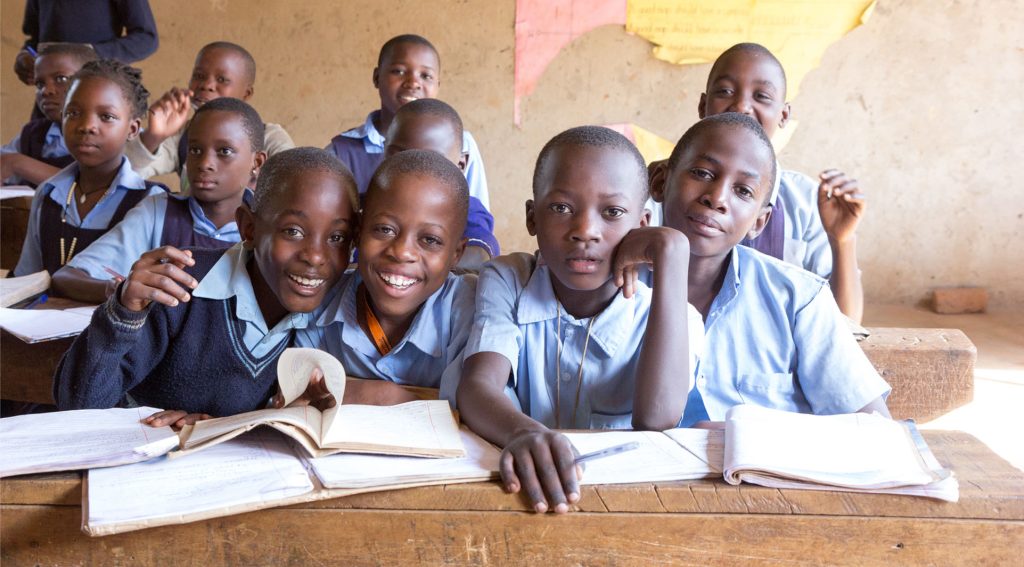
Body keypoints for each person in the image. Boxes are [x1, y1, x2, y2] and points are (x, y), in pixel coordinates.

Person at [456, 126, 703, 514]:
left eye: (612, 212)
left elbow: (656, 418)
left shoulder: (676, 318)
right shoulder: (508, 279)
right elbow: (477, 387)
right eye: (561, 208)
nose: (585, 231)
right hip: (517, 506)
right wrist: (522, 433)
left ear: (642, 225)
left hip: (628, 511)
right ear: (532, 217)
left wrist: (671, 252)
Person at [53, 147, 359, 428]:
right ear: (248, 227)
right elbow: (80, 406)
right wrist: (124, 312)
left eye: (337, 238)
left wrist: (223, 427)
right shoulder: (179, 286)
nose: (316, 257)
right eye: (293, 231)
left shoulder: (332, 313)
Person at [651, 112, 890, 428]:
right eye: (702, 173)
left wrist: (749, 435)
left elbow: (876, 429)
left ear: (759, 221)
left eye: (743, 191)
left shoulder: (798, 298)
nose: (717, 198)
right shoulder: (614, 287)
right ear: (660, 182)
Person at [652, 43, 866, 322]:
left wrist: (842, 240)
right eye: (725, 91)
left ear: (784, 115)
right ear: (703, 105)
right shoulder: (663, 187)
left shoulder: (807, 203)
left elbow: (846, 324)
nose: (741, 106)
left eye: (762, 96)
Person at [295, 150, 475, 405]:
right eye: (385, 229)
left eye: (430, 240)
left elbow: (473, 406)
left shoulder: (470, 312)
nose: (402, 252)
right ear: (358, 232)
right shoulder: (320, 304)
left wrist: (375, 395)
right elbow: (296, 394)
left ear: (456, 253)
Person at [52, 98, 268, 303]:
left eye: (224, 151)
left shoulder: (268, 228)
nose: (205, 163)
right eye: (195, 150)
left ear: (257, 163)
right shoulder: (159, 212)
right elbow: (66, 278)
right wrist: (120, 290)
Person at [13, 59, 166, 277]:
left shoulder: (150, 201)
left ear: (132, 129)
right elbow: (26, 277)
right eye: (73, 113)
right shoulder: (48, 193)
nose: (87, 126)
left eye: (106, 117)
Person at [326, 34, 491, 212]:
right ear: (376, 77)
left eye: (426, 75)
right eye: (398, 71)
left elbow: (476, 214)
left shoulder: (461, 144)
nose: (413, 83)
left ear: (438, 85)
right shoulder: (341, 151)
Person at [124, 41, 294, 190]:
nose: (206, 85)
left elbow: (295, 184)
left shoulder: (268, 138)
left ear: (246, 94)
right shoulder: (183, 136)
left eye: (222, 80)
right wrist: (155, 135)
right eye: (199, 76)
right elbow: (125, 173)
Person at [383, 98, 498, 269]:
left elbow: (480, 255)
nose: (413, 171)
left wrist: (409, 266)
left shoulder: (465, 209)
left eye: (431, 161)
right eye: (400, 156)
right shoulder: (370, 202)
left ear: (461, 165)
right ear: (384, 152)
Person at [1, 44, 96, 187]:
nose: (46, 91)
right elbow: (4, 161)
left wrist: (17, 163)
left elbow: (92, 188)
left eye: (61, 79)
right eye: (40, 84)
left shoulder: (109, 135)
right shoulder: (34, 133)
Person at [14, 0, 158, 85]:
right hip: (50, 103)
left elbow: (146, 38)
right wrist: (25, 56)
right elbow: (35, 40)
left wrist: (90, 54)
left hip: (96, 94)